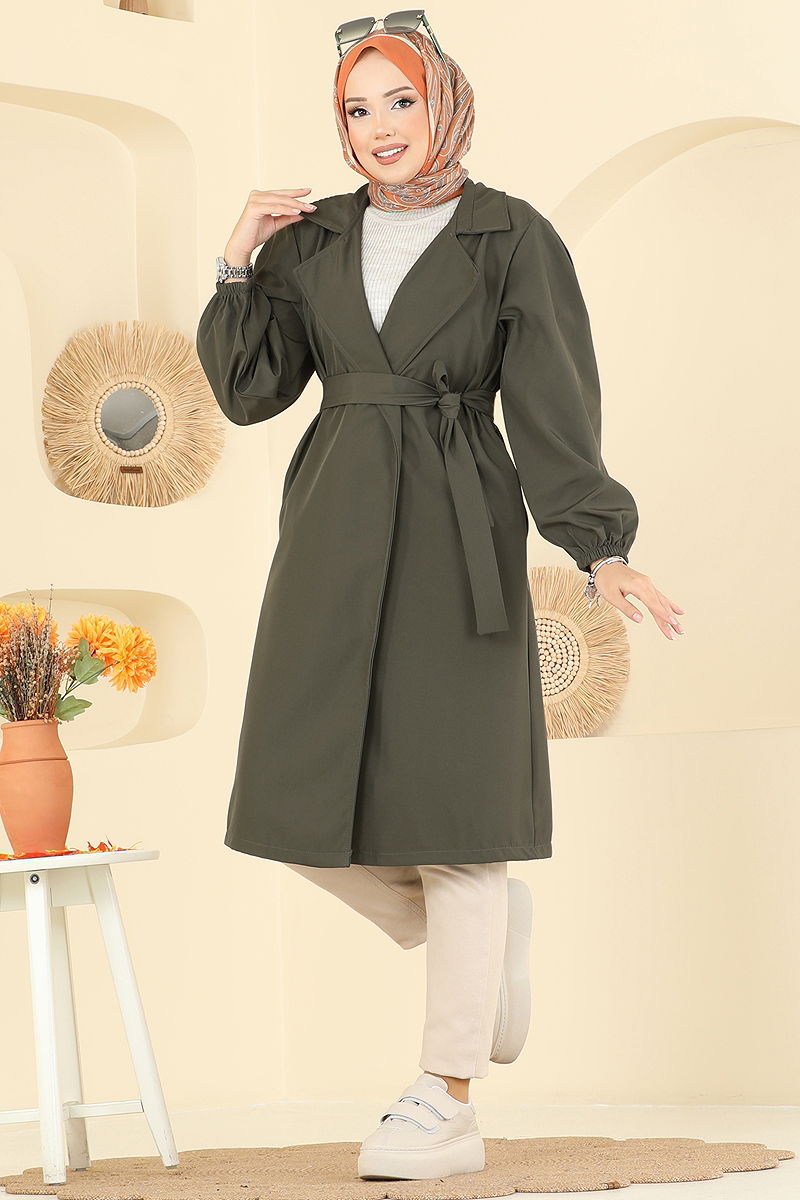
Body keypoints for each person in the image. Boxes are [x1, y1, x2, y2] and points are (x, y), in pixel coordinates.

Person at [195, 13, 685, 1184]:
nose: (378, 128)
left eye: (399, 101)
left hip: (459, 528)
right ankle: (481, 931)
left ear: (444, 102)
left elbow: (553, 403)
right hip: (329, 529)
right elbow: (250, 390)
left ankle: (444, 1100)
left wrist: (599, 547)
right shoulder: (314, 238)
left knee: (458, 810)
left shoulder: (511, 237)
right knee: (288, 799)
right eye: (356, 108)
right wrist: (236, 262)